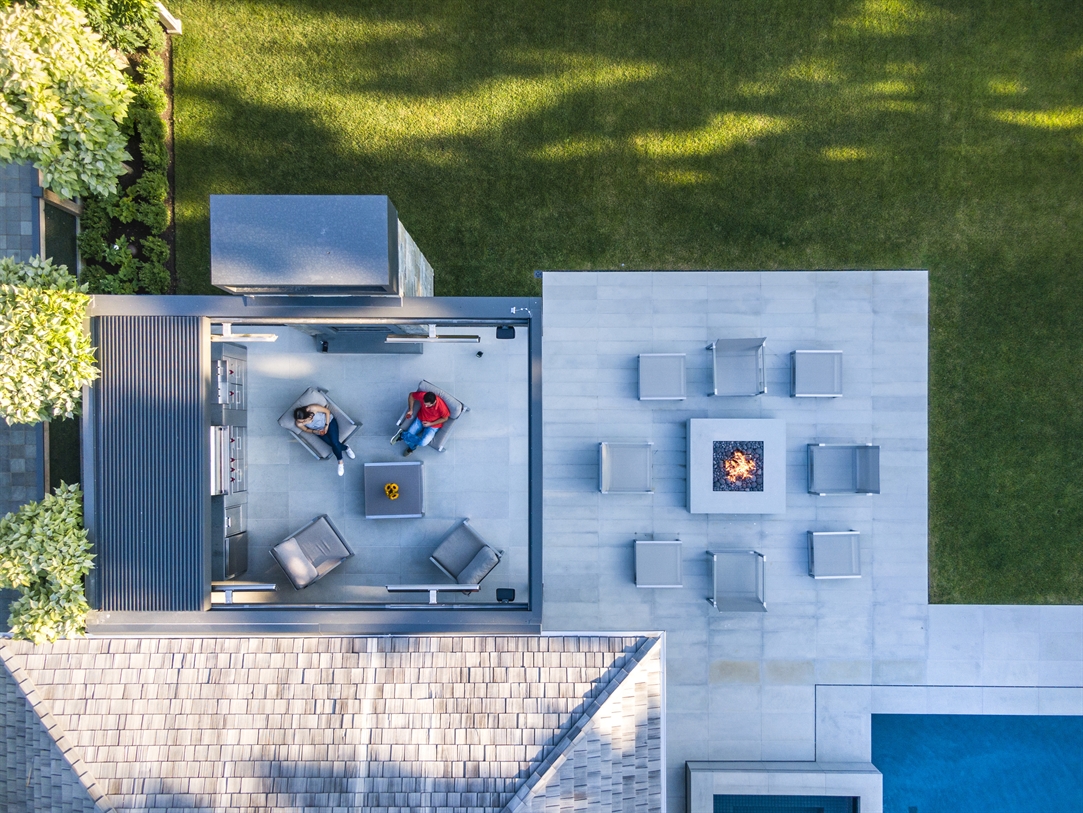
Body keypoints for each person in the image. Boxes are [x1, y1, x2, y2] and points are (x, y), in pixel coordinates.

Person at [294, 404, 354, 475]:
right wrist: (315, 431)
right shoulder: (299, 423)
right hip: (319, 431)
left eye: (304, 420)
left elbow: (327, 412)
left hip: (329, 422)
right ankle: (346, 447)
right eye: (300, 421)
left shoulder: (313, 408)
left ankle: (340, 462)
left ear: (307, 415)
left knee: (334, 443)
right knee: (333, 444)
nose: (303, 422)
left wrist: (326, 426)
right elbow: (306, 430)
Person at [393, 390, 449, 456]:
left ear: (434, 402)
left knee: (423, 443)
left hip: (433, 426)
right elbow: (411, 395)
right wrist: (411, 410)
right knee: (408, 438)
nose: (425, 406)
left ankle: (402, 435)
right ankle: (412, 448)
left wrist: (430, 424)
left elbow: (445, 418)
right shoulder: (422, 396)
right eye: (424, 404)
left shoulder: (442, 407)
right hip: (420, 419)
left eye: (428, 405)